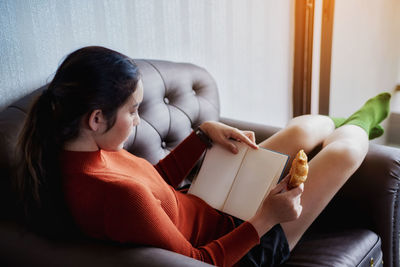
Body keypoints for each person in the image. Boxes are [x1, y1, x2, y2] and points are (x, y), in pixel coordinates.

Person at [15, 46, 391, 267]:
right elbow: (202, 262)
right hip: (242, 247)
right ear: (96, 119)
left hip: (210, 204)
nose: (137, 120)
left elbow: (155, 185)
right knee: (344, 152)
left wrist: (201, 135)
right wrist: (267, 218)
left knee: (305, 129)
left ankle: (350, 117)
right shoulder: (112, 194)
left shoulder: (78, 156)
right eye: (132, 111)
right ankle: (370, 113)